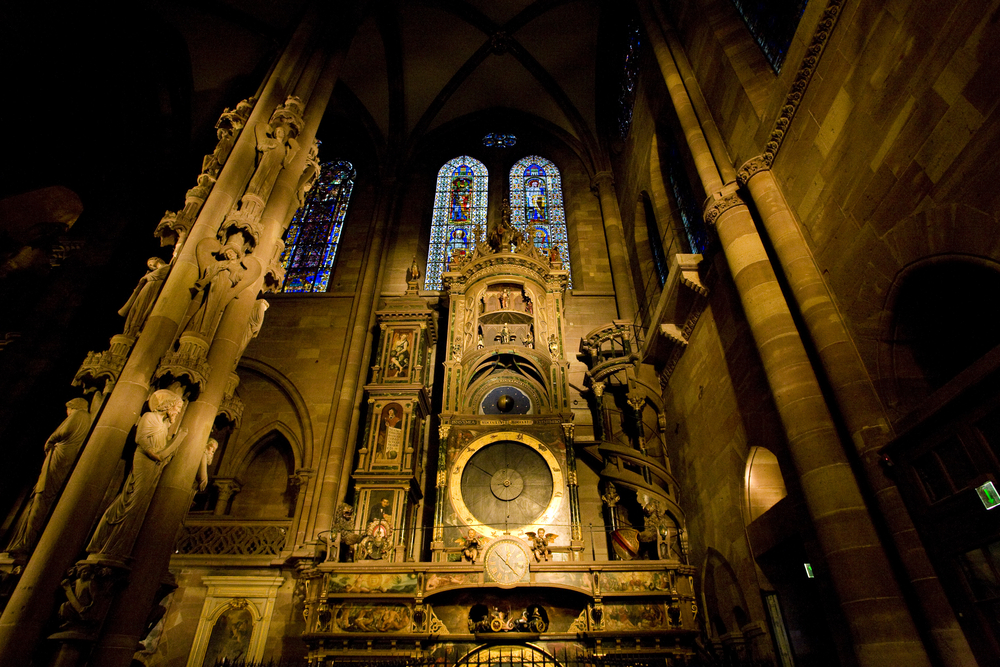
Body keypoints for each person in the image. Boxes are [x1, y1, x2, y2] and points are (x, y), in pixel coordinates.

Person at [87, 390, 188, 560]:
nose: (178, 412)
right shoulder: (149, 417)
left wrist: (175, 442)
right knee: (134, 498)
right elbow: (147, 445)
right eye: (177, 407)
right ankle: (106, 542)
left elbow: (162, 452)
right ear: (168, 406)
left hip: (153, 465)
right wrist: (174, 443)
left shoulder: (163, 425)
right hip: (144, 461)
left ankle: (120, 543)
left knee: (141, 500)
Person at [5, 398, 92, 556]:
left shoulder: (78, 415)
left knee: (42, 497)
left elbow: (62, 432)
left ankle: (27, 542)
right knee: (42, 498)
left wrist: (51, 441)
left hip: (60, 457)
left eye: (68, 409)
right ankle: (27, 540)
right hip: (63, 457)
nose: (67, 412)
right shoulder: (86, 418)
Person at [119, 257, 170, 338]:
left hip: (153, 289)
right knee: (136, 308)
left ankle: (135, 330)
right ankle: (129, 330)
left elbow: (163, 272)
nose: (150, 265)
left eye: (151, 261)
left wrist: (146, 277)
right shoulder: (153, 274)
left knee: (143, 309)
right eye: (149, 264)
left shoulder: (167, 267)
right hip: (148, 289)